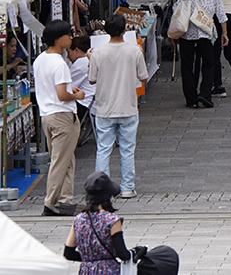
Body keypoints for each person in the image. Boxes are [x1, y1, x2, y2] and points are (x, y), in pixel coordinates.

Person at [88, 15, 148, 199]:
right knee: (128, 148)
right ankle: (128, 187)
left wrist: (90, 58)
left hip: (105, 107)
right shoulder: (134, 51)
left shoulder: (98, 52)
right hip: (128, 106)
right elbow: (143, 76)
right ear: (125, 30)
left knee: (103, 149)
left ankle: (101, 190)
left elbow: (92, 79)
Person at [35, 20, 84, 216]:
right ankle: (51, 201)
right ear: (58, 39)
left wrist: (68, 91)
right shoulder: (59, 63)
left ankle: (65, 200)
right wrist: (76, 95)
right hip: (62, 115)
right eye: (68, 35)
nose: (71, 38)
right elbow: (62, 94)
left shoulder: (40, 60)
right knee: (60, 161)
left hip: (47, 114)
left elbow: (49, 87)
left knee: (66, 159)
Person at [62, 171, 147, 272]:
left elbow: (68, 253)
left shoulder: (78, 220)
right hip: (109, 270)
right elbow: (123, 255)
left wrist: (90, 260)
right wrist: (135, 252)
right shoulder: (112, 220)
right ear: (108, 196)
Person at [176, 0, 228, 109]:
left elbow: (177, 8)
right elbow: (220, 13)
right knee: (209, 63)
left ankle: (190, 97)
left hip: (188, 32)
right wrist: (224, 33)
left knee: (187, 65)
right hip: (206, 31)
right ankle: (205, 94)